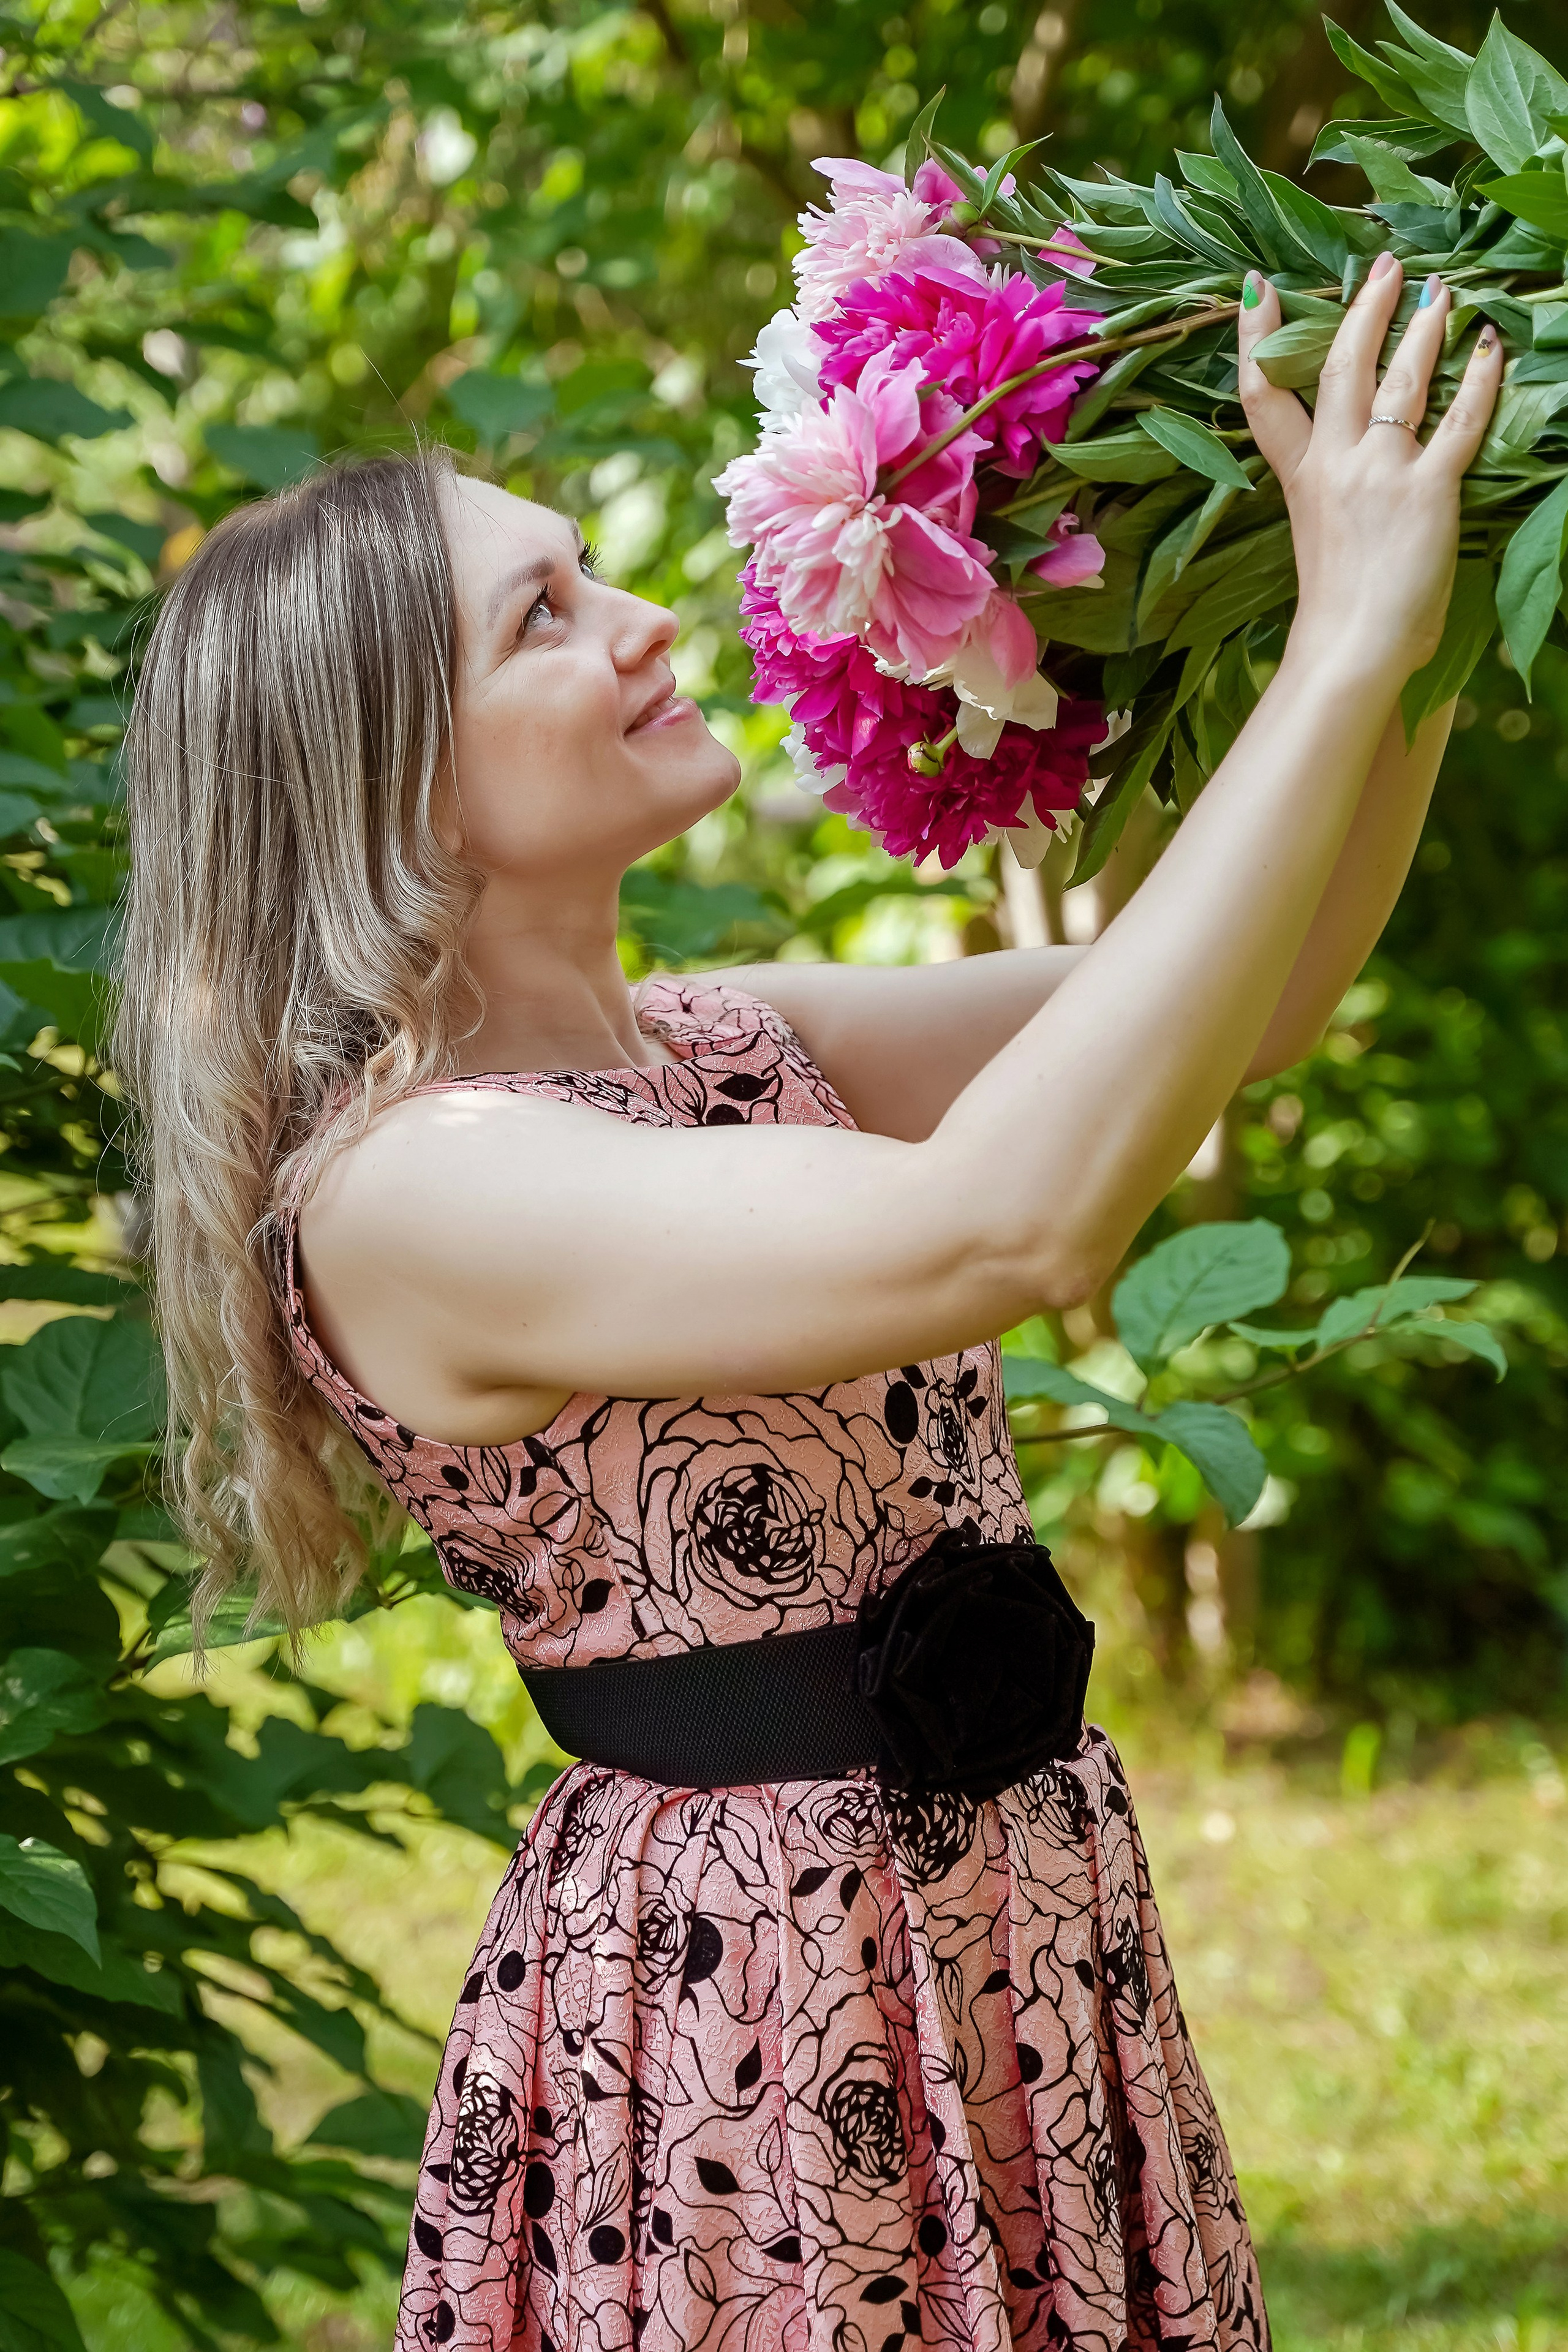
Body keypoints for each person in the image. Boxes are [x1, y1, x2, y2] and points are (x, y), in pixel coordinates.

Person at [115, 255, 1499, 2352]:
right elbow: (1000, 1230)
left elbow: (1266, 995)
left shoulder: (729, 1039)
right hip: (758, 2008)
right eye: (543, 617)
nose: (643, 622)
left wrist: (1428, 608)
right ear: (393, 780)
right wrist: (1340, 638)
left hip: (1004, 1917)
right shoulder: (410, 1191)